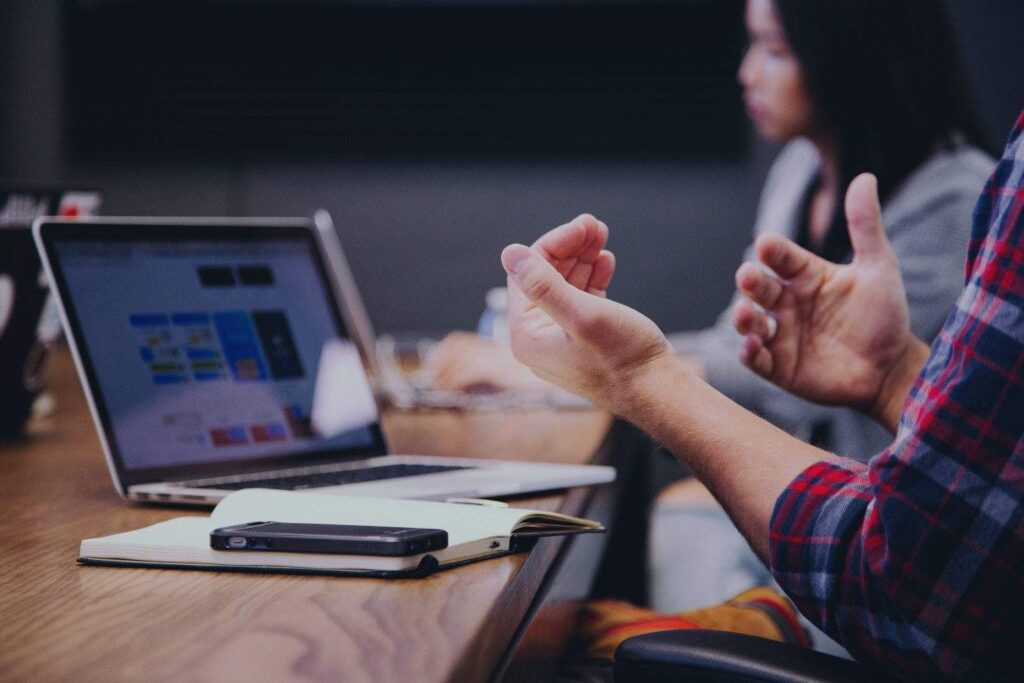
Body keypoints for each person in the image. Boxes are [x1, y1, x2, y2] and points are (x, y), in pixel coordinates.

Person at [494, 108, 1024, 678]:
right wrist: (894, 376)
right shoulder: (797, 168)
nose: (748, 69)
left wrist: (640, 378)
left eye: (773, 48)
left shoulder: (957, 189)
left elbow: (909, 582)